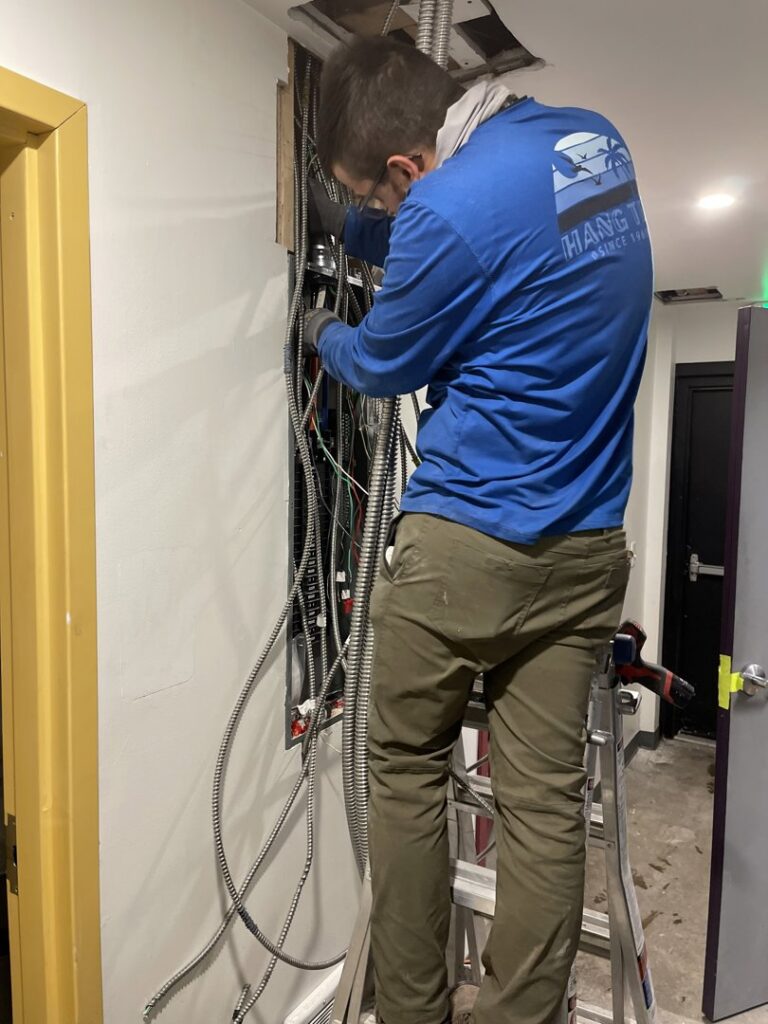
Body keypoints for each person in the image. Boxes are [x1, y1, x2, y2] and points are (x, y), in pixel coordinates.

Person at [305, 35, 652, 1024]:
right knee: (541, 806)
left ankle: (412, 1008)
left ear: (408, 167)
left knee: (406, 763)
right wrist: (378, 233)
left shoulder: (443, 214)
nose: (377, 213)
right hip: (587, 552)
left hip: (465, 548)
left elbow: (382, 361)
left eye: (374, 197)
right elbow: (506, 245)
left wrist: (321, 332)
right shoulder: (593, 145)